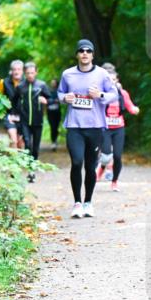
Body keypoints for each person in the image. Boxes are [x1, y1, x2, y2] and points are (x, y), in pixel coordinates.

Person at [58, 39, 118, 218]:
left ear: (92, 54)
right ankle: (77, 203)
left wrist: (99, 95)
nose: (85, 53)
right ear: (77, 54)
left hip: (95, 126)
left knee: (90, 166)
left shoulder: (101, 74)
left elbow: (114, 94)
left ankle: (88, 202)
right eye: (81, 50)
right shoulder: (67, 74)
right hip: (74, 126)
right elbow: (60, 93)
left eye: (88, 51)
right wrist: (64, 98)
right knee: (77, 162)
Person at [96, 64, 140, 191]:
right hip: (105, 128)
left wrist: (134, 110)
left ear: (117, 80)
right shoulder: (101, 94)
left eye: (114, 80)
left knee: (117, 156)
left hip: (119, 128)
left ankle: (114, 182)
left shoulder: (122, 93)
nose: (112, 83)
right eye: (109, 80)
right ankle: (100, 170)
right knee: (106, 155)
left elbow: (130, 106)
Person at [16, 62, 52, 182]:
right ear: (25, 74)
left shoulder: (42, 85)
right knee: (27, 144)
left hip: (38, 122)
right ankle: (30, 171)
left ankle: (33, 169)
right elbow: (14, 101)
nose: (30, 75)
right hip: (25, 121)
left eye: (32, 73)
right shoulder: (21, 86)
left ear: (36, 72)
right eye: (28, 73)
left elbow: (51, 99)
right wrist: (15, 114)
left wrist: (45, 100)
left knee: (35, 148)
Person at [0, 60, 25, 149]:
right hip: (9, 115)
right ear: (11, 71)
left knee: (20, 143)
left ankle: (17, 161)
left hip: (23, 116)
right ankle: (14, 161)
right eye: (14, 69)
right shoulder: (4, 82)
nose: (16, 72)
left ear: (22, 71)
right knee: (13, 140)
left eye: (19, 69)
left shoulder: (26, 83)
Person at [46, 78, 62, 150]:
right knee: (52, 127)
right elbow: (46, 101)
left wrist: (54, 101)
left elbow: (60, 100)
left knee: (56, 127)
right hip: (50, 112)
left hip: (57, 112)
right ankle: (53, 142)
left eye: (54, 83)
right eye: (52, 82)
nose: (53, 84)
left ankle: (55, 140)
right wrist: (53, 101)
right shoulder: (48, 91)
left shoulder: (59, 91)